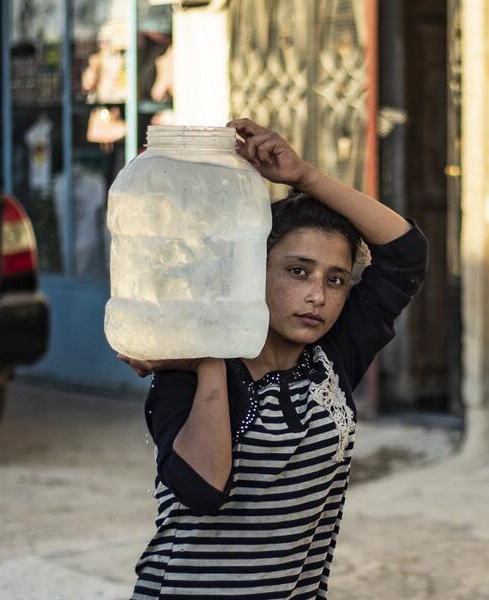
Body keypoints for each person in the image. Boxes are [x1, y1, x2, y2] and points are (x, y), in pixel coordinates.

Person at [119, 118, 428, 599]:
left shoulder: (332, 357)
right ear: (252, 269)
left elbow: (407, 253)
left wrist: (304, 177)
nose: (316, 297)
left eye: (335, 279)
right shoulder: (186, 371)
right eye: (297, 271)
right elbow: (202, 490)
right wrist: (209, 362)